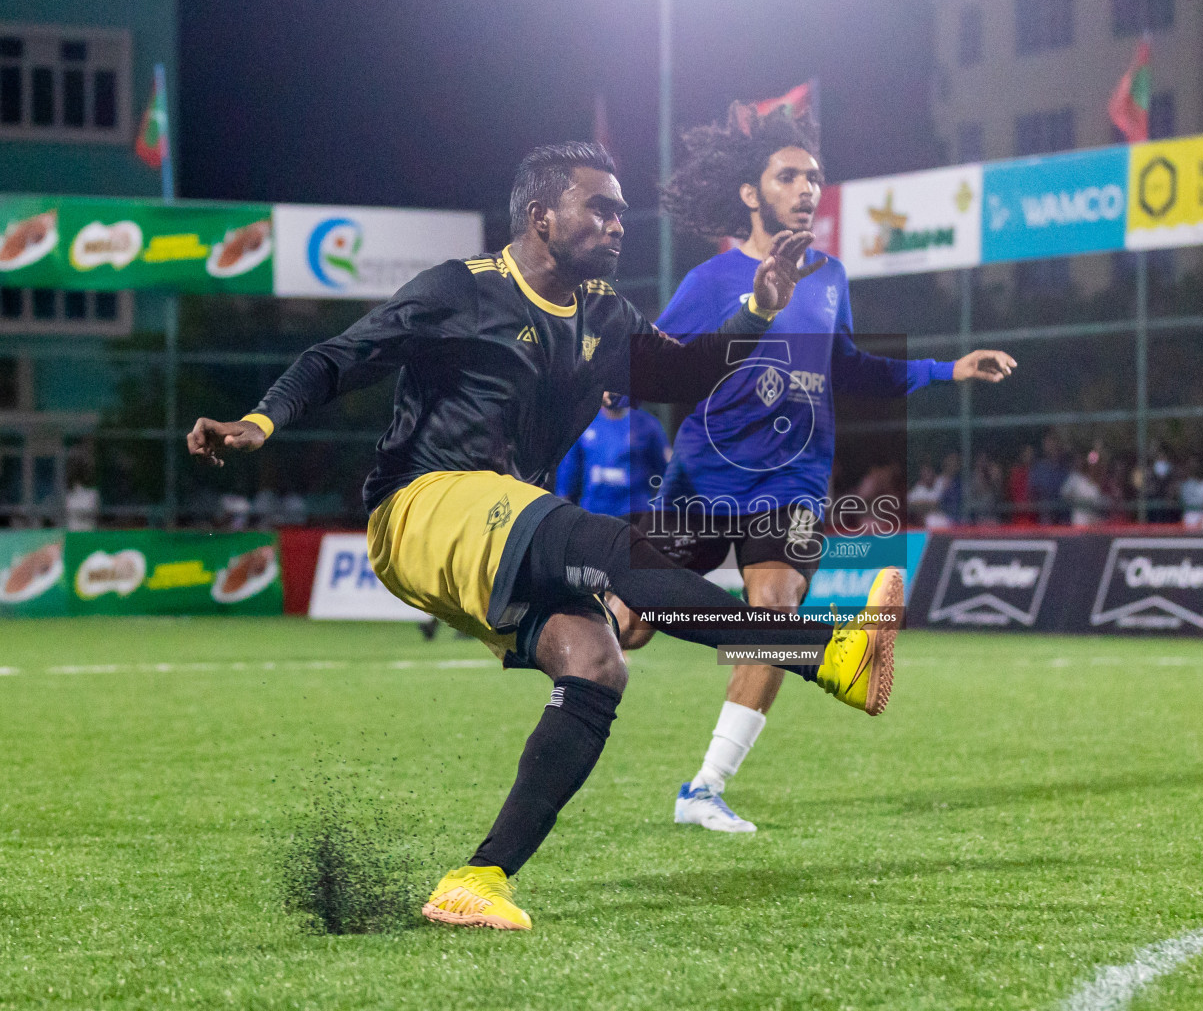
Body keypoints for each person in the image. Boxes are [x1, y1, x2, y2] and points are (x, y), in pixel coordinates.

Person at [186, 142, 902, 932]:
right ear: (540, 217)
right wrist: (259, 423)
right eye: (599, 207)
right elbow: (337, 360)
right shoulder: (461, 290)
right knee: (613, 547)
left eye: (623, 210)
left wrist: (759, 307)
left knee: (597, 663)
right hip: (418, 507)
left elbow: (683, 375)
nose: (618, 223)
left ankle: (479, 878)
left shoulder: (604, 311)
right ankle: (827, 654)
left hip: (499, 517)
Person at [613, 102, 1015, 834]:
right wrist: (615, 381)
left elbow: (851, 366)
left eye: (815, 177)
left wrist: (946, 368)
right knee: (630, 624)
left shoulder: (829, 276)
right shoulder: (711, 280)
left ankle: (704, 788)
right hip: (704, 479)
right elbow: (658, 362)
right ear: (750, 191)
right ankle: (537, 623)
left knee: (775, 610)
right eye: (789, 175)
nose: (806, 188)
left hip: (793, 482)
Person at [556, 392, 670, 517]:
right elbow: (567, 474)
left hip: (635, 513)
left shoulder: (647, 425)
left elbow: (668, 472)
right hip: (593, 513)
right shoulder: (584, 423)